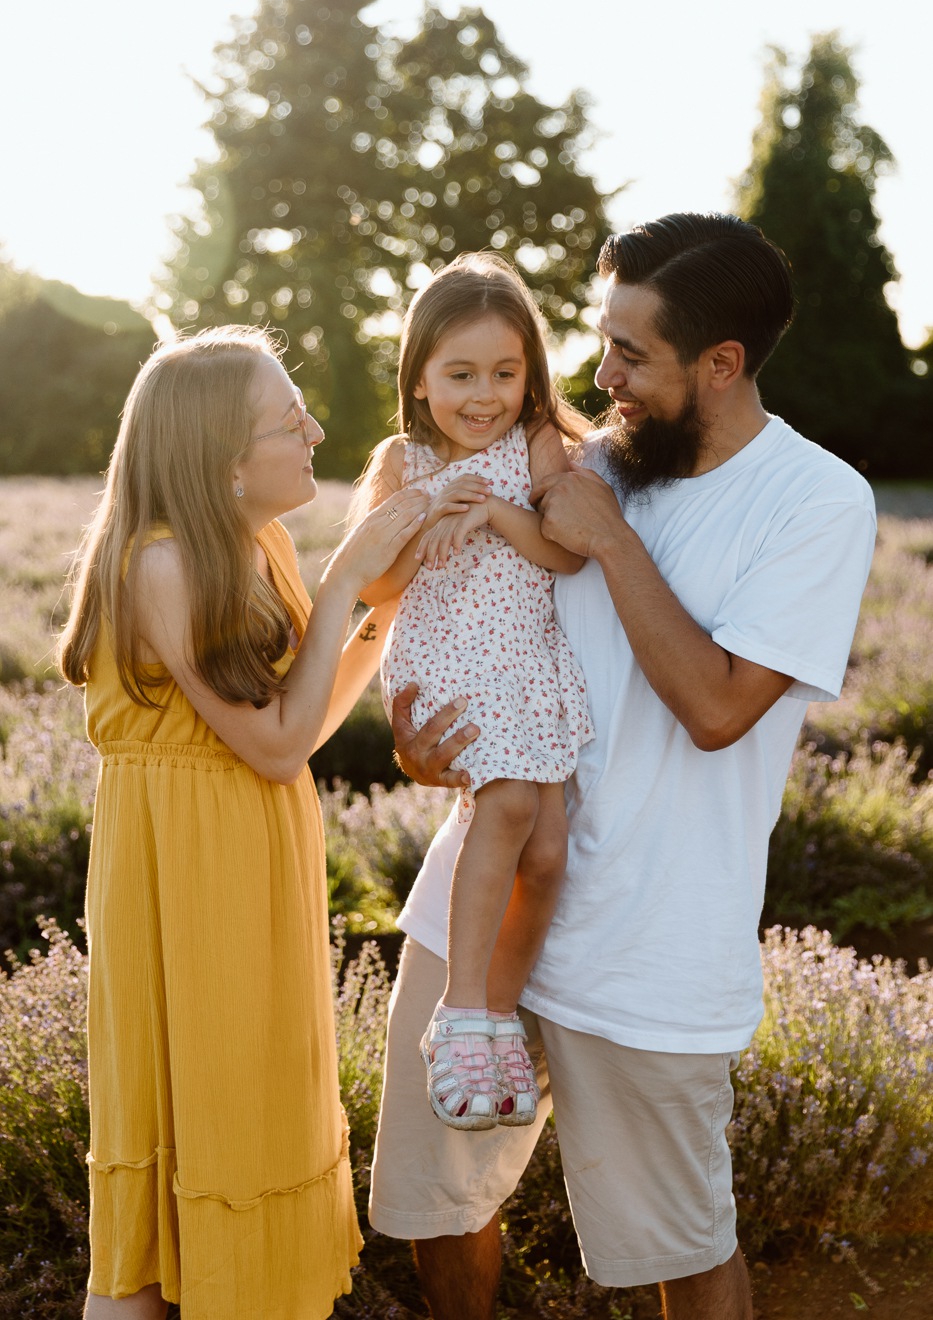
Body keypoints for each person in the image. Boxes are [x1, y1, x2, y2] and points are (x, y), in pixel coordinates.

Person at [368, 213, 877, 1320]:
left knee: (686, 1249)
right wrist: (419, 735)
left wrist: (608, 535)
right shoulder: (581, 456)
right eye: (601, 343)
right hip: (482, 902)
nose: (600, 376)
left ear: (723, 364)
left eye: (631, 354)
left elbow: (716, 706)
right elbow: (452, 610)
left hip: (651, 946)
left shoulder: (816, 499)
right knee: (438, 1206)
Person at [58, 325, 426, 1320]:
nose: (312, 427)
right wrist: (351, 569)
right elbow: (270, 745)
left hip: (248, 869)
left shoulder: (248, 547)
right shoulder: (162, 565)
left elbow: (296, 725)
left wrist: (385, 604)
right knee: (155, 1226)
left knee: (245, 1128)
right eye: (285, 418)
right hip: (186, 885)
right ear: (222, 460)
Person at [353, 253, 593, 1132]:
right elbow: (374, 590)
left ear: (530, 371)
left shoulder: (534, 447)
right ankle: (459, 1013)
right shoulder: (401, 460)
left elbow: (567, 554)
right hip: (451, 661)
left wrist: (493, 513)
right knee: (503, 814)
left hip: (525, 664)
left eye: (503, 371)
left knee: (546, 848)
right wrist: (426, 516)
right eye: (460, 374)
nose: (482, 394)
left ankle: (494, 1014)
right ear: (419, 377)